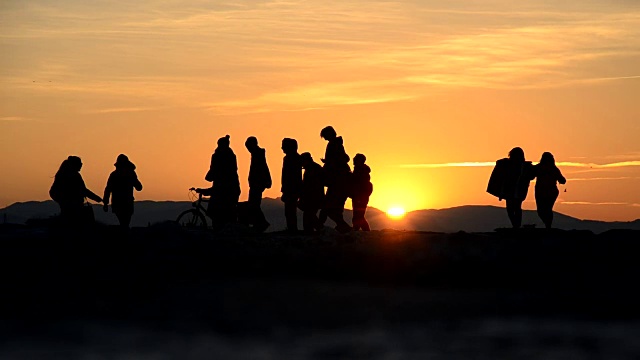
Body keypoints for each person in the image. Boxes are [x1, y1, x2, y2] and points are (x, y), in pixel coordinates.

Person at [49, 155, 103, 228]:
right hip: (71, 203)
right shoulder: (73, 175)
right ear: (74, 165)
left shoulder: (63, 174)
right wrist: (98, 199)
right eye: (80, 164)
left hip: (68, 202)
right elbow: (83, 190)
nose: (81, 166)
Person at [201, 135, 241, 229]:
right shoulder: (231, 155)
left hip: (221, 189)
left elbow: (213, 170)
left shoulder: (217, 155)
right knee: (228, 214)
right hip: (232, 188)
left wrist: (209, 177)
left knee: (217, 213)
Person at [319, 126, 352, 233]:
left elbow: (343, 158)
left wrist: (329, 162)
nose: (324, 139)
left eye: (325, 136)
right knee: (331, 207)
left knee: (328, 207)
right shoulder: (336, 144)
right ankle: (322, 225)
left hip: (336, 180)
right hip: (336, 180)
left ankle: (342, 226)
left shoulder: (335, 144)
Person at [494, 147, 535, 228]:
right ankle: (516, 225)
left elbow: (531, 176)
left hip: (516, 190)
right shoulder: (508, 164)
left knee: (514, 208)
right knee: (513, 208)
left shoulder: (524, 166)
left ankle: (516, 225)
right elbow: (499, 163)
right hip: (512, 190)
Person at [102, 154, 143, 230]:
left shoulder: (114, 175)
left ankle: (123, 237)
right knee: (125, 223)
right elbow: (139, 187)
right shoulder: (130, 174)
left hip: (117, 203)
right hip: (127, 203)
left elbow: (108, 189)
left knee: (123, 223)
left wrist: (105, 203)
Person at [533, 152, 566, 229]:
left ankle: (548, 225)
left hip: (541, 192)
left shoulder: (539, 167)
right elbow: (563, 181)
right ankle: (548, 226)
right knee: (547, 209)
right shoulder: (554, 169)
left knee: (541, 211)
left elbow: (531, 175)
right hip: (550, 192)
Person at [245, 136, 272, 232]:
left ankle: (261, 223)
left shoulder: (257, 154)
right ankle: (258, 223)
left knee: (254, 204)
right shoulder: (257, 154)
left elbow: (260, 169)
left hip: (257, 183)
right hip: (256, 183)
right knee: (254, 204)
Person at [299, 152, 325, 233]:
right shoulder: (314, 168)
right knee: (309, 215)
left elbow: (310, 185)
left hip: (312, 198)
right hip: (314, 197)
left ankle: (320, 230)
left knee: (309, 215)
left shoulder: (312, 169)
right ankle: (314, 231)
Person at [281, 138, 302, 233]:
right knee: (290, 210)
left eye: (284, 146)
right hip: (291, 188)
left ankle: (292, 229)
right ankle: (292, 228)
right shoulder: (294, 158)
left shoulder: (292, 159)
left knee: (290, 210)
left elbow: (290, 176)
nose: (282, 148)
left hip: (291, 188)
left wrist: (286, 189)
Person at [351, 153, 373, 231]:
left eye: (355, 159)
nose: (353, 159)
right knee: (359, 216)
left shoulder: (361, 171)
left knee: (358, 216)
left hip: (360, 196)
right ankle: (364, 231)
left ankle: (359, 230)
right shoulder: (359, 170)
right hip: (359, 196)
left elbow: (359, 184)